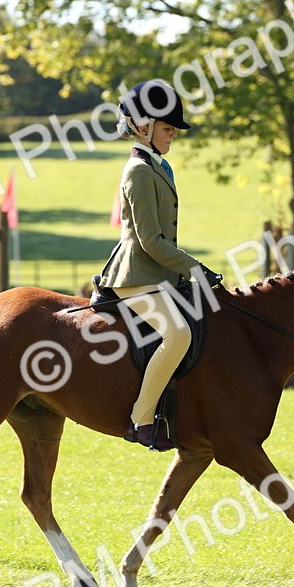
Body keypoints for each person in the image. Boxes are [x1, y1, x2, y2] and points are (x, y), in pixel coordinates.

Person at [98, 80, 222, 451]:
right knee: (178, 334)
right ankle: (141, 420)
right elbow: (150, 240)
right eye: (168, 129)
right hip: (135, 275)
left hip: (158, 273)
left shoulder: (159, 167)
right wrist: (194, 269)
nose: (172, 136)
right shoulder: (137, 171)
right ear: (144, 126)